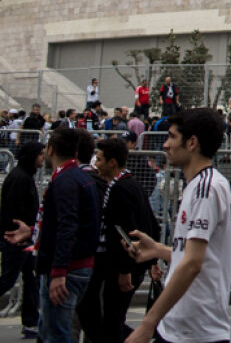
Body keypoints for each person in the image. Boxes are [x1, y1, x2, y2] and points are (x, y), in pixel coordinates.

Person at [124, 108, 231, 343]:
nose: (165, 145)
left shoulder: (207, 188)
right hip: (179, 327)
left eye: (172, 137)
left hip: (196, 332)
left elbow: (193, 263)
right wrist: (158, 250)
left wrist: (147, 323)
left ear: (192, 143)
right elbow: (197, 257)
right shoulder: (198, 186)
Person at [1, 129, 99, 343]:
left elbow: (68, 226)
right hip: (72, 266)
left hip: (66, 269)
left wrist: (59, 271)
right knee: (50, 331)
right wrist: (34, 232)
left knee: (57, 334)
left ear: (51, 150)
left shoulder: (67, 180)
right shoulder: (77, 177)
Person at [78, 137, 159, 343]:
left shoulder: (120, 189)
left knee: (110, 318)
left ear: (112, 162)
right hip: (127, 264)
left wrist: (125, 270)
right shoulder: (131, 185)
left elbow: (125, 232)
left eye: (99, 159)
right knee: (108, 317)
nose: (96, 164)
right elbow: (152, 224)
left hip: (123, 266)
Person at [0, 141, 42, 338]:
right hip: (17, 238)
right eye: (40, 154)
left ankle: (31, 321)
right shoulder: (21, 179)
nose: (43, 158)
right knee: (9, 279)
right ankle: (31, 321)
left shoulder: (23, 176)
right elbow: (13, 211)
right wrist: (18, 233)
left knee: (30, 279)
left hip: (23, 238)